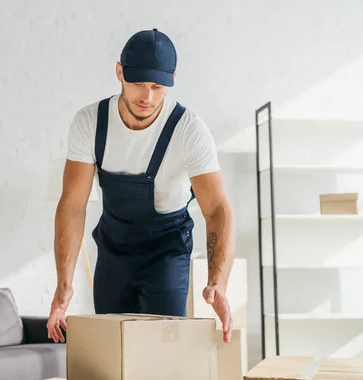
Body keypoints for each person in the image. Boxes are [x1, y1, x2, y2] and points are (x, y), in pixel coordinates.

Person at [47, 28, 235, 344]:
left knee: (163, 347)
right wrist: (63, 285)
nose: (147, 96)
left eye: (157, 86)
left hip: (166, 249)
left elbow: (217, 209)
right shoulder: (90, 122)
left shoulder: (189, 130)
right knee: (111, 348)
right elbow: (73, 205)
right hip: (113, 247)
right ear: (119, 72)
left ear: (172, 79)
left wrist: (218, 282)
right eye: (137, 84)